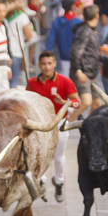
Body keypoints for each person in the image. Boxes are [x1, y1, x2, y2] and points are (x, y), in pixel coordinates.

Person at [28, 50, 79, 201]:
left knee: (58, 157)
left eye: (49, 63)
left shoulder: (65, 81)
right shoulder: (31, 83)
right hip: (40, 124)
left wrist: (64, 102)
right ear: (39, 65)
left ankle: (59, 182)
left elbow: (77, 102)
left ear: (55, 64)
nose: (46, 67)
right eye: (43, 64)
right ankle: (41, 182)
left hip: (59, 122)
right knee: (40, 155)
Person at [70, 5, 104, 110]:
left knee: (96, 104)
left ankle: (86, 125)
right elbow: (75, 51)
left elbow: (93, 53)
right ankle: (67, 123)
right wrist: (79, 70)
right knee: (87, 102)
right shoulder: (85, 31)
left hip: (90, 73)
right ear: (97, 15)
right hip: (83, 72)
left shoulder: (90, 30)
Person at [46, 0, 80, 76]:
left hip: (63, 55)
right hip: (77, 55)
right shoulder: (78, 22)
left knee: (66, 77)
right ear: (72, 6)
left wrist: (47, 53)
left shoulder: (56, 22)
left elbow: (51, 39)